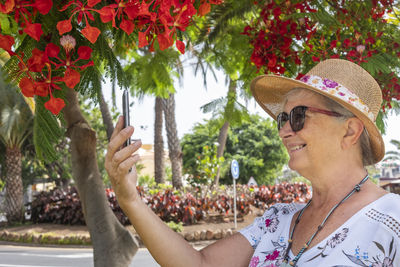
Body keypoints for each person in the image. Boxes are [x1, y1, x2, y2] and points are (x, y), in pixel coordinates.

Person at [105, 59, 400, 267]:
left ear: (349, 131)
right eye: (283, 119)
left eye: (298, 116)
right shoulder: (278, 219)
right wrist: (130, 199)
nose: (284, 130)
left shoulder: (393, 221)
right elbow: (199, 264)